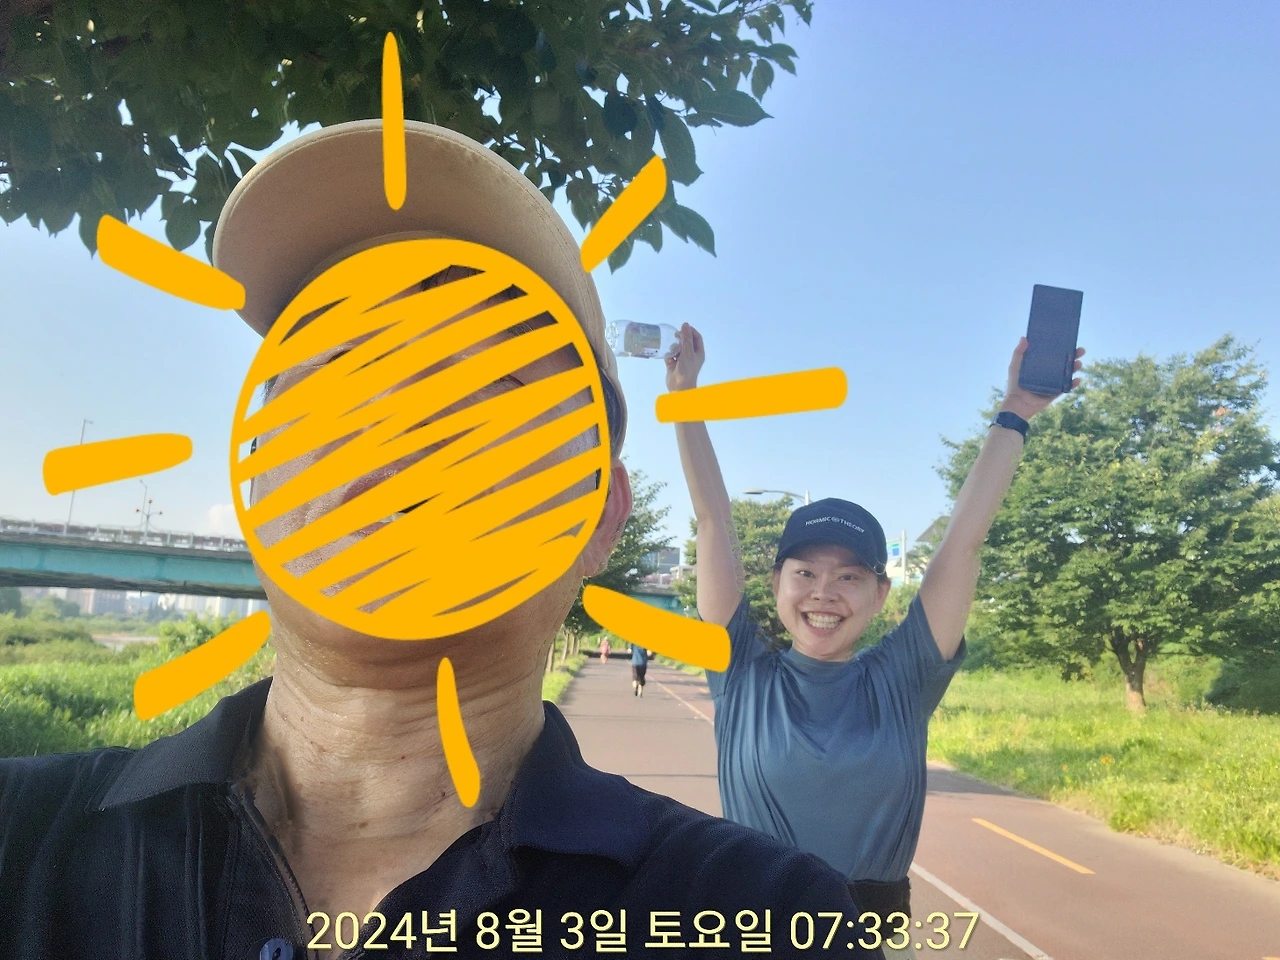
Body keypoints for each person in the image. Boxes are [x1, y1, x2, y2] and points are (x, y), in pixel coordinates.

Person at [0, 122, 885, 960]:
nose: (398, 424)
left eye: (483, 384)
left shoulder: (765, 918)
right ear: (258, 469)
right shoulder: (17, 833)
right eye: (341, 369)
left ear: (600, 517)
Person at [667, 323, 1083, 959]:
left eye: (849, 577)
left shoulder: (904, 677)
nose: (824, 593)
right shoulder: (740, 670)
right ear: (776, 584)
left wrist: (1016, 412)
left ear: (881, 593)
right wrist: (685, 397)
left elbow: (963, 542)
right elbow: (712, 519)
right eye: (805, 574)